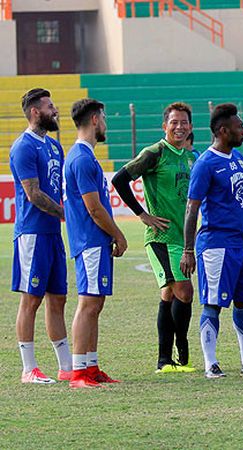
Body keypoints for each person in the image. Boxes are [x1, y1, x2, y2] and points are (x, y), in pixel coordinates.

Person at [180, 103, 243, 378]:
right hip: (215, 243)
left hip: (240, 245)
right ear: (223, 131)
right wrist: (187, 250)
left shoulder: (238, 159)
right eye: (239, 127)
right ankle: (211, 363)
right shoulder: (205, 163)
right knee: (213, 303)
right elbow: (191, 208)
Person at [112, 102, 197, 374]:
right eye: (174, 122)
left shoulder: (191, 157)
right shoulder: (155, 152)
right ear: (165, 126)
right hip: (161, 237)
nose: (179, 127)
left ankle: (167, 360)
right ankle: (178, 353)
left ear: (190, 127)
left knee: (171, 293)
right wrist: (142, 214)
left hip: (182, 239)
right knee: (184, 291)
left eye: (184, 122)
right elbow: (119, 180)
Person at [10, 88, 72, 384]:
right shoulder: (23, 147)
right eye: (50, 106)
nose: (55, 110)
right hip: (32, 234)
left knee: (57, 299)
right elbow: (33, 194)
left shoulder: (54, 147)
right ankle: (28, 368)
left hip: (52, 235)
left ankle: (65, 366)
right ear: (36, 112)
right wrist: (65, 214)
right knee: (31, 300)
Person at [64, 98, 127, 388]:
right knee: (88, 303)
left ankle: (91, 366)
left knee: (96, 303)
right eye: (103, 117)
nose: (105, 123)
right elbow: (94, 208)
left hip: (94, 241)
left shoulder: (84, 156)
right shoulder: (81, 158)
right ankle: (79, 371)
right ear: (94, 120)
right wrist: (118, 233)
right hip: (89, 241)